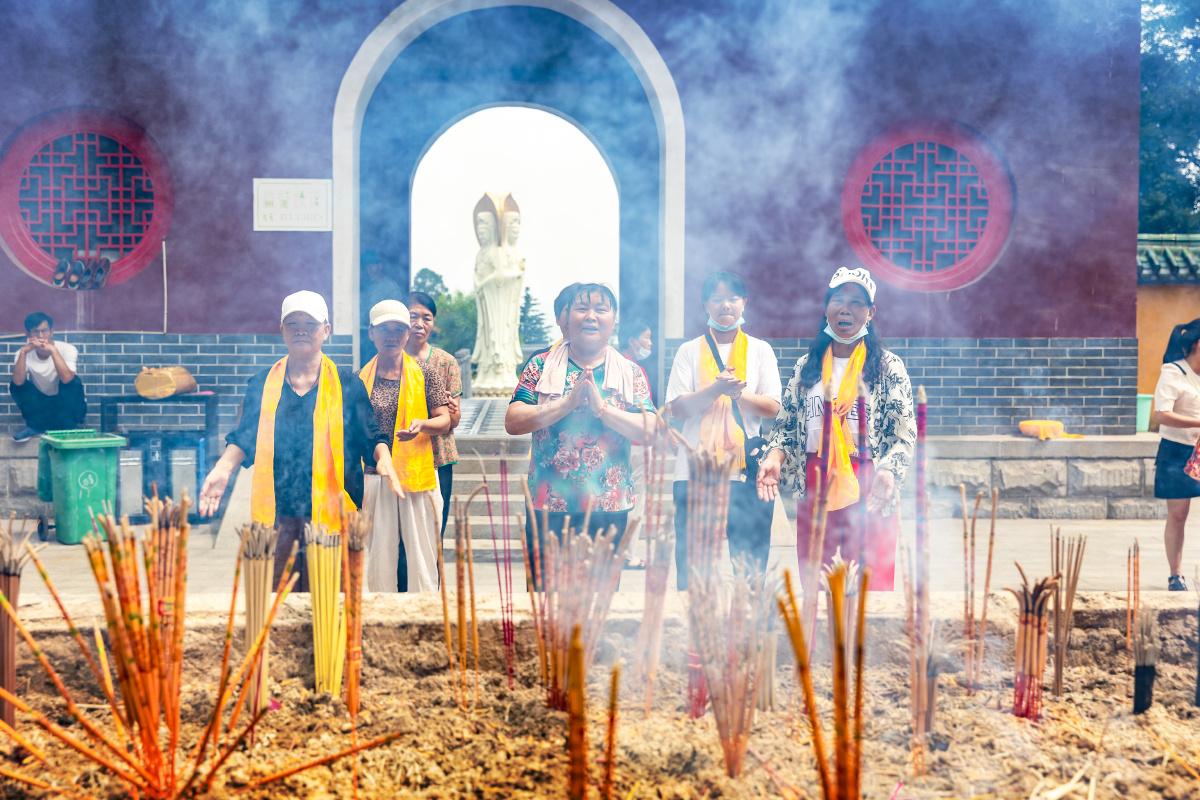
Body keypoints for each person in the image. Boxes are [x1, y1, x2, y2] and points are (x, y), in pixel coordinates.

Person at [198, 291, 402, 591]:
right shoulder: (261, 384)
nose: (301, 330)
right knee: (280, 600)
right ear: (282, 330)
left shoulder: (348, 384)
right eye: (293, 323)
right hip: (278, 512)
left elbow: (371, 435)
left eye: (310, 324)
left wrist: (383, 457)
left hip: (333, 511)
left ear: (326, 330)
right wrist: (222, 468)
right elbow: (245, 436)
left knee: (331, 601)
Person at [757, 267, 914, 591]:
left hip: (870, 480)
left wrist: (888, 473)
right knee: (820, 583)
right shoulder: (807, 366)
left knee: (867, 587)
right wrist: (774, 457)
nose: (846, 309)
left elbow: (903, 436)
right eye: (838, 300)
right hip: (817, 479)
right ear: (825, 307)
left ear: (870, 313)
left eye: (857, 303)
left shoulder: (888, 367)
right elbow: (786, 427)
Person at [505, 283, 655, 573]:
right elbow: (513, 421)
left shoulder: (630, 371)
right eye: (582, 308)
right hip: (548, 506)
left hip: (608, 507)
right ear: (567, 317)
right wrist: (567, 403)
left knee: (600, 598)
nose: (591, 316)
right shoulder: (541, 365)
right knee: (547, 596)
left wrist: (603, 409)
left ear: (613, 321)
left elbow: (650, 430)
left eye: (601, 309)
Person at [666, 272, 781, 589]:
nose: (725, 305)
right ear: (705, 304)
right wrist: (717, 388)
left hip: (745, 472)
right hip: (695, 472)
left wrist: (737, 394)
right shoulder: (689, 350)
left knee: (750, 569)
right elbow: (678, 408)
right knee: (694, 570)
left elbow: (772, 406)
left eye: (733, 298)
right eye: (717, 299)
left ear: (745, 302)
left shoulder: (760, 350)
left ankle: (748, 620)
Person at [361, 300, 452, 592]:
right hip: (375, 476)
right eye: (384, 329)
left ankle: (424, 613)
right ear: (371, 332)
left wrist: (422, 425)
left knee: (422, 555)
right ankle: (380, 614)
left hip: (416, 474)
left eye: (399, 329)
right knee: (378, 555)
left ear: (407, 333)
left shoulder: (426, 373)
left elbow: (445, 420)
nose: (392, 336)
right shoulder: (359, 379)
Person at [405, 291, 463, 538]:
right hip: (402, 453)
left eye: (426, 318)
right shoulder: (391, 359)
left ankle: (435, 566)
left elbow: (454, 420)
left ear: (433, 323)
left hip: (438, 455)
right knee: (404, 530)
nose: (420, 324)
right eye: (413, 316)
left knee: (435, 525)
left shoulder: (446, 362)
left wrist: (451, 411)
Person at [1152, 319, 1200, 591]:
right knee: (1179, 514)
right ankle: (1176, 575)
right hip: (1178, 451)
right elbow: (1162, 415)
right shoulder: (1173, 371)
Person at [10, 312, 86, 442]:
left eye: (44, 331)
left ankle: (69, 427)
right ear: (28, 335)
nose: (40, 336)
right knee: (15, 385)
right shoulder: (22, 353)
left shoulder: (67, 349)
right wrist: (23, 353)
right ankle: (36, 427)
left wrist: (53, 350)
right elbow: (18, 382)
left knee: (74, 381)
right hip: (41, 405)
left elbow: (67, 378)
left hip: (64, 404)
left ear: (51, 332)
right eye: (35, 332)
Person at [620, 317, 658, 568]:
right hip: (637, 444)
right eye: (646, 337)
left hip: (620, 443)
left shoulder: (613, 365)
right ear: (632, 341)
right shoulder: (634, 370)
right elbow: (646, 409)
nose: (650, 343)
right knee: (635, 501)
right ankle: (627, 555)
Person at [360, 250, 401, 362]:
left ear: (379, 266)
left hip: (381, 335)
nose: (369, 270)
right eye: (366, 267)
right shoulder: (364, 287)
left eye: (372, 266)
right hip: (362, 334)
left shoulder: (390, 287)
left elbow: (395, 314)